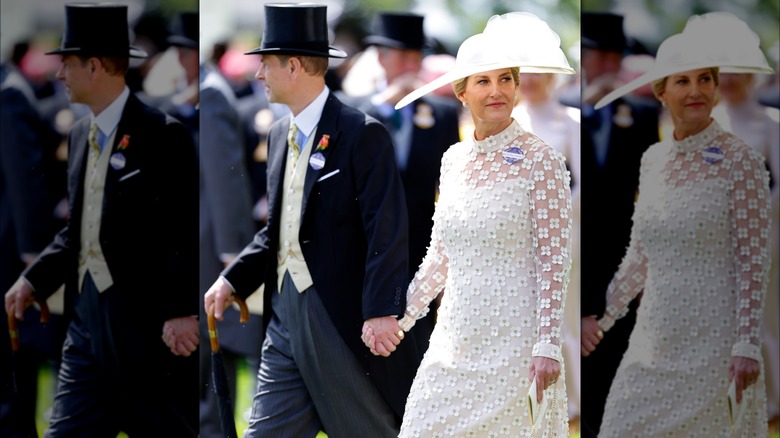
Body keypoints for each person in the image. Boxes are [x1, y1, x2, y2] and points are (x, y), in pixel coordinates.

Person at [203, 4, 425, 437]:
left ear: (293, 65)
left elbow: (387, 227)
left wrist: (382, 310)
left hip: (340, 319)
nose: (257, 74)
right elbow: (281, 229)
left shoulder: (362, 132)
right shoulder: (276, 135)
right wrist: (233, 280)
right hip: (284, 314)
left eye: (265, 63)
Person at [365, 11, 576, 436]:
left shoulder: (543, 161)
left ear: (517, 87)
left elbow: (555, 260)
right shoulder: (453, 159)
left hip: (516, 343)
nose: (496, 91)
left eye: (506, 79)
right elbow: (440, 256)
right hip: (453, 339)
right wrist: (399, 320)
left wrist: (548, 345)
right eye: (483, 81)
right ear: (462, 92)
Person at [3, 4, 199, 435]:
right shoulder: (78, 135)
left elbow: (183, 230)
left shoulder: (163, 134)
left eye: (67, 64)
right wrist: (33, 280)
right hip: (86, 321)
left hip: (147, 329)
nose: (59, 76)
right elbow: (79, 228)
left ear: (94, 66)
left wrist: (182, 311)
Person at [582, 12, 774, 436]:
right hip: (653, 336)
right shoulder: (652, 160)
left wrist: (745, 344)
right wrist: (604, 318)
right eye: (683, 81)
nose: (696, 91)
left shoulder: (741, 162)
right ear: (661, 92)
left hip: (717, 340)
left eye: (705, 79)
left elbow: (753, 260)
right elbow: (640, 254)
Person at [348, 11, 461, 353]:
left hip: (418, 244)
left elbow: (449, 182)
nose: (410, 65)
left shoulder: (440, 112)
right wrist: (385, 103)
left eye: (416, 56)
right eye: (402, 56)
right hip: (363, 243)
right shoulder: (356, 109)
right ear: (381, 58)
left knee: (415, 340)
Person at [578, 11, 660, 436]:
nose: (607, 63)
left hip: (625, 255)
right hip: (576, 253)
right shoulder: (565, 111)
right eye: (598, 54)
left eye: (614, 55)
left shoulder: (644, 115)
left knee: (622, 362)